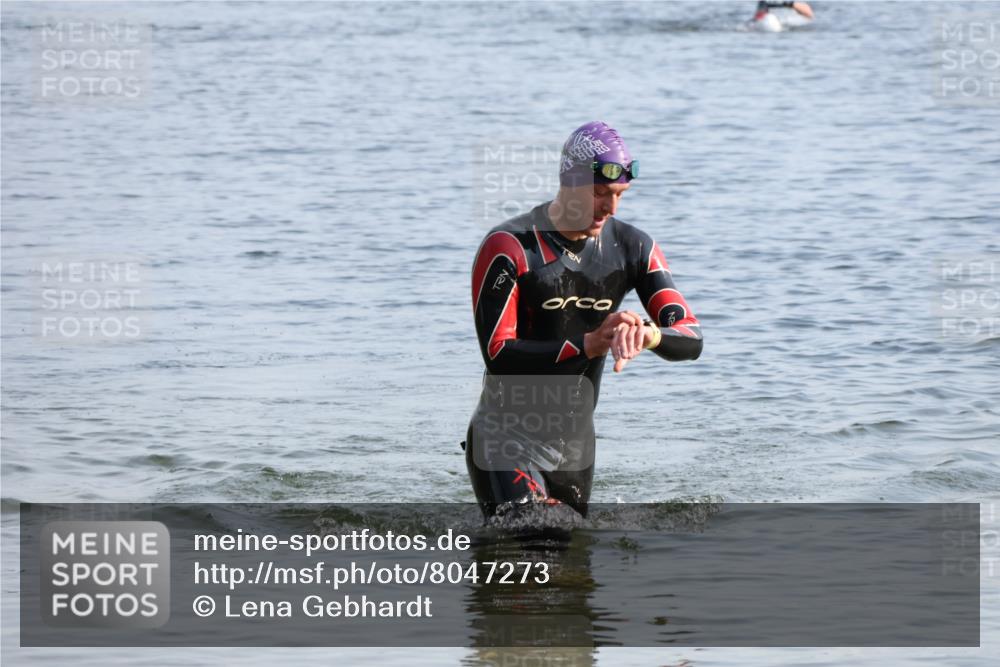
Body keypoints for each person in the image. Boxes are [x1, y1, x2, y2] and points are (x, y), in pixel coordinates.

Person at [464, 121, 703, 519]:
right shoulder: (510, 246)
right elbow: (498, 354)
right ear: (568, 181)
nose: (610, 208)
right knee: (533, 540)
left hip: (574, 447)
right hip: (504, 437)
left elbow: (691, 337)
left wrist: (647, 334)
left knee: (573, 570)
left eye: (619, 195)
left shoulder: (633, 247)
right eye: (599, 193)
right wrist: (589, 344)